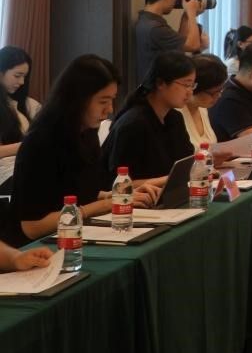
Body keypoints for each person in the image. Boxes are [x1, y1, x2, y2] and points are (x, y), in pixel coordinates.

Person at [4, 56, 159, 245]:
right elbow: (33, 227)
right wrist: (102, 206)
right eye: (103, 102)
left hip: (77, 235)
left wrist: (121, 196)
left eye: (112, 100)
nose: (110, 109)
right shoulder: (41, 143)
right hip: (35, 248)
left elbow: (83, 192)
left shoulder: (86, 133)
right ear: (77, 100)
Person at [103, 52, 196, 182]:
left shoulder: (175, 118)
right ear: (160, 83)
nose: (190, 92)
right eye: (186, 85)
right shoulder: (133, 124)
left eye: (192, 86)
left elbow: (186, 163)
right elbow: (119, 182)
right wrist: (167, 180)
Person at [134, 0, 204, 83]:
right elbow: (193, 45)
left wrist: (186, 17)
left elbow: (179, 48)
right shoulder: (155, 28)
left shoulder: (147, 21)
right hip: (156, 90)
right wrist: (192, 14)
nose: (175, 0)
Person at [0, 47, 41, 192]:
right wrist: (28, 145)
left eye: (25, 76)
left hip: (22, 168)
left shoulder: (28, 105)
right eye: (17, 76)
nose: (22, 82)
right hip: (6, 175)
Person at [178, 54, 227, 150]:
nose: (219, 96)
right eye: (213, 93)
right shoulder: (176, 113)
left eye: (220, 90)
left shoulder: (202, 108)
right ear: (194, 88)